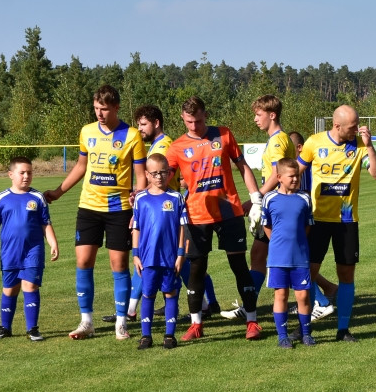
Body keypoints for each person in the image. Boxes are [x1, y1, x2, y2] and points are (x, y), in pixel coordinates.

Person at [44, 84, 146, 341]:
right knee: (83, 262)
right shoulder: (87, 132)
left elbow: (141, 176)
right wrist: (58, 192)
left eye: (104, 109)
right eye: (96, 108)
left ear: (116, 107)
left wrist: (139, 200)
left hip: (119, 209)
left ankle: (121, 323)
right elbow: (81, 166)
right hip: (88, 206)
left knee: (119, 265)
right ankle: (86, 321)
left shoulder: (132, 135)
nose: (99, 113)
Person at [104, 104, 218, 324]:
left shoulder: (163, 145)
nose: (140, 129)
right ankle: (207, 303)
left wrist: (141, 197)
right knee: (180, 262)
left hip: (165, 211)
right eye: (138, 124)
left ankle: (132, 309)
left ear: (156, 123)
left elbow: (158, 180)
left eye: (144, 124)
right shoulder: (159, 144)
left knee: (168, 260)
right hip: (161, 208)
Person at [166, 96, 263, 341]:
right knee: (196, 269)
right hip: (196, 216)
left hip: (229, 212)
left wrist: (256, 197)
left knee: (239, 267)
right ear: (182, 118)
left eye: (198, 120)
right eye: (189, 122)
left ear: (205, 115)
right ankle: (196, 324)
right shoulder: (177, 147)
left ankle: (252, 321)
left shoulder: (224, 134)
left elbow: (242, 166)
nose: (194, 126)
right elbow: (163, 178)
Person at [298, 104, 376, 342]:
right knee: (308, 273)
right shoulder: (314, 143)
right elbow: (295, 172)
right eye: (352, 126)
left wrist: (369, 145)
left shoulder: (358, 144)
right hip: (317, 220)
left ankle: (343, 330)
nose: (357, 129)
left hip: (346, 221)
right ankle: (303, 327)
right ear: (337, 126)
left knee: (346, 274)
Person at [0, 156, 59, 342]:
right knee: (10, 289)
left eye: (29, 173)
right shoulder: (1, 198)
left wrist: (53, 242)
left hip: (33, 251)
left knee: (30, 286)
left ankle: (32, 328)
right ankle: (4, 327)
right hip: (10, 252)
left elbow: (45, 223)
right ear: (11, 174)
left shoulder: (37, 197)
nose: (26, 176)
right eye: (22, 172)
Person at [242, 95, 297, 307]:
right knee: (260, 254)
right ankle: (249, 304)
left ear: (271, 115)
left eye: (258, 114)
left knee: (281, 258)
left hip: (276, 205)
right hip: (277, 203)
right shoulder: (280, 138)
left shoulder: (276, 141)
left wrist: (257, 198)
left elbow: (277, 174)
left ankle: (319, 299)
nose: (255, 119)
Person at [131, 153, 188, 350]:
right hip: (147, 257)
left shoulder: (176, 197)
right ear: (146, 174)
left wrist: (180, 253)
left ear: (170, 173)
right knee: (148, 294)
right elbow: (136, 228)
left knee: (171, 293)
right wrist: (135, 254)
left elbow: (182, 228)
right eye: (154, 173)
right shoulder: (141, 199)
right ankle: (146, 336)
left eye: (163, 172)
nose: (159, 177)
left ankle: (169, 335)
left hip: (170, 257)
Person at [261, 158, 316, 349]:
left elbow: (307, 226)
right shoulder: (269, 198)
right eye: (291, 176)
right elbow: (266, 225)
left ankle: (306, 333)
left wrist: (298, 241)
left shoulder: (305, 198)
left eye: (297, 176)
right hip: (278, 257)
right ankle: (282, 336)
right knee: (281, 295)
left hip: (300, 256)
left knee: (302, 296)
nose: (295, 179)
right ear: (279, 178)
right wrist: (276, 242)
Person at [288, 130, 336, 322]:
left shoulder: (304, 169)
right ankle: (327, 290)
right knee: (301, 263)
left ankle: (321, 302)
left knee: (296, 263)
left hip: (306, 218)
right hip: (305, 218)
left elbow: (304, 194)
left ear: (299, 148)